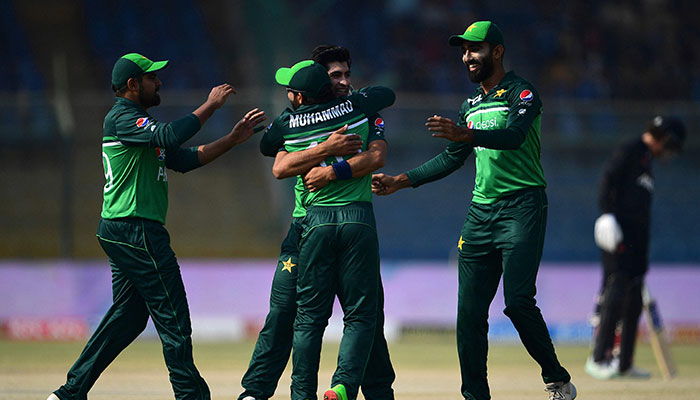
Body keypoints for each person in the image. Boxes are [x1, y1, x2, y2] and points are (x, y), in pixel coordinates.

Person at [371, 21, 576, 400]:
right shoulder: (470, 105)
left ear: (497, 51)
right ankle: (475, 396)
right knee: (468, 316)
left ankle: (557, 380)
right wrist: (401, 180)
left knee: (518, 303)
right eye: (464, 51)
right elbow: (452, 157)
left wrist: (467, 134)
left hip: (522, 207)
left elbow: (514, 136)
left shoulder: (522, 92)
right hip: (480, 215)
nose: (467, 57)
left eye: (475, 49)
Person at [47, 52, 266, 400]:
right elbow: (169, 135)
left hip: (125, 230)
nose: (159, 82)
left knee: (130, 317)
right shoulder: (123, 118)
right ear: (132, 84)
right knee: (173, 318)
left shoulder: (141, 126)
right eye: (152, 78)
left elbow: (184, 159)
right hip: (136, 230)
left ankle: (69, 392)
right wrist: (210, 105)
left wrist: (231, 139)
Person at [238, 45, 395, 400]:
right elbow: (277, 160)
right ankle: (255, 392)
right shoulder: (295, 118)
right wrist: (325, 148)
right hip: (304, 226)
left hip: (329, 223)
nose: (344, 82)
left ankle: (377, 393)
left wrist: (330, 171)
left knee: (367, 319)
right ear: (320, 80)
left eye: (347, 74)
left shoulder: (362, 108)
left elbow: (377, 156)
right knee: (283, 312)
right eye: (335, 76)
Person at [586, 115, 686, 379]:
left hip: (637, 242)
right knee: (616, 289)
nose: (668, 152)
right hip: (618, 235)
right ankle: (599, 358)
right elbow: (608, 178)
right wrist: (606, 214)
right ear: (665, 138)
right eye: (670, 145)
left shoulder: (646, 161)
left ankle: (624, 363)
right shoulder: (630, 149)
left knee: (633, 298)